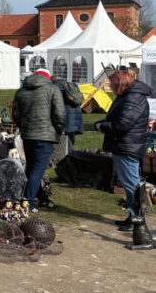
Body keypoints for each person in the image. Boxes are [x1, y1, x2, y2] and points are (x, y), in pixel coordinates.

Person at [95, 70, 153, 231]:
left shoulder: (133, 98)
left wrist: (102, 126)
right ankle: (133, 216)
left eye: (112, 83)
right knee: (129, 184)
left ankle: (138, 219)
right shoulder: (128, 97)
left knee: (132, 184)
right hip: (125, 145)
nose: (110, 86)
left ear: (120, 84)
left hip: (128, 146)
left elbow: (123, 124)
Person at [12, 67, 65, 213]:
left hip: (28, 135)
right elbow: (60, 114)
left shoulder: (21, 91)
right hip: (45, 136)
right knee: (37, 170)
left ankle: (42, 197)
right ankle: (28, 201)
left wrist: (23, 127)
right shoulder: (53, 89)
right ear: (47, 77)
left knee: (32, 168)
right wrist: (58, 130)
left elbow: (16, 114)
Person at [52, 75, 84, 155]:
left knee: (61, 134)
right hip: (76, 111)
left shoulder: (55, 86)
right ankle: (71, 152)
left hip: (65, 112)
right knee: (71, 134)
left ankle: (60, 154)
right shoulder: (73, 84)